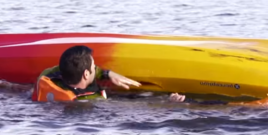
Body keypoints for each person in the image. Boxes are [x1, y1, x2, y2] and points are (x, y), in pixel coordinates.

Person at [32, 45, 185, 103]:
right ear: (86, 74)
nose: (96, 67)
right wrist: (168, 104)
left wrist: (108, 74)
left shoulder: (45, 77)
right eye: (94, 66)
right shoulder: (91, 100)